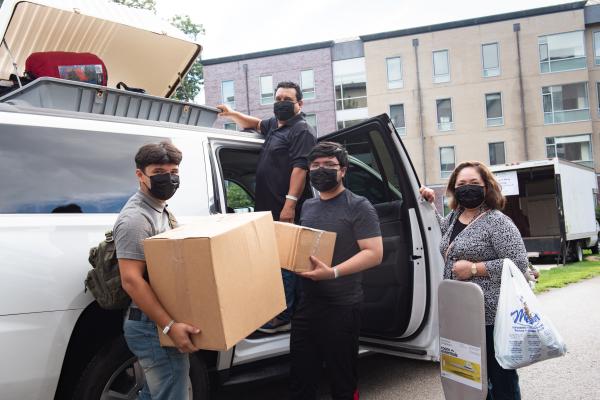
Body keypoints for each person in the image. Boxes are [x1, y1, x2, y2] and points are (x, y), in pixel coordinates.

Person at [420, 160, 528, 400]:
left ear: (486, 187)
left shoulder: (498, 222)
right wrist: (429, 203)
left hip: (491, 317)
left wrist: (474, 269)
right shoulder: (453, 218)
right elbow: (445, 235)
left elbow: (519, 265)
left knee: (501, 379)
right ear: (454, 189)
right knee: (470, 379)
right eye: (461, 184)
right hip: (460, 316)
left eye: (474, 183)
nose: (467, 188)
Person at [217, 81, 317, 333]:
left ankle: (284, 315)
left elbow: (300, 168)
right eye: (278, 98)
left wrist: (290, 204)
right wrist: (230, 113)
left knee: (285, 262)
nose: (281, 102)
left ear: (300, 104)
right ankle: (275, 309)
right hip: (267, 211)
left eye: (287, 99)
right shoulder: (275, 125)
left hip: (285, 209)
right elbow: (254, 123)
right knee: (273, 262)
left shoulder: (302, 130)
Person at [290, 142, 384, 400]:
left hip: (341, 308)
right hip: (307, 306)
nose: (321, 170)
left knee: (341, 381)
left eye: (329, 165)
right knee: (301, 378)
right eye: (315, 165)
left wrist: (332, 273)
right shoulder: (308, 206)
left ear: (343, 171)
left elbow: (374, 253)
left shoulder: (359, 206)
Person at [114, 142, 200, 400]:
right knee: (171, 393)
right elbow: (131, 280)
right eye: (160, 171)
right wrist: (169, 326)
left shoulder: (158, 208)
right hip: (150, 326)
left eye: (174, 171)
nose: (169, 178)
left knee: (157, 393)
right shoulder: (136, 218)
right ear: (140, 175)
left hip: (154, 322)